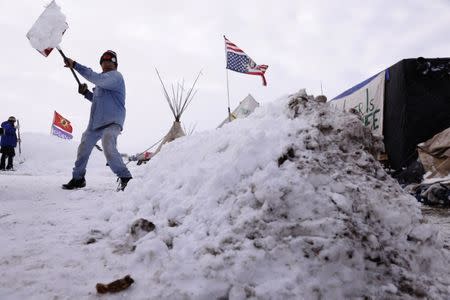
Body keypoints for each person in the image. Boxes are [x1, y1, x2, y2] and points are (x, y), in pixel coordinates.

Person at [62, 50, 132, 191]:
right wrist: (86, 93)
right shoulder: (100, 83)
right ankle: (78, 178)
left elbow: (96, 78)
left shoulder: (115, 77)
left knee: (107, 143)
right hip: (95, 123)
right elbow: (97, 100)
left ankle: (126, 178)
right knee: (83, 148)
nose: (106, 63)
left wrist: (75, 65)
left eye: (109, 61)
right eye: (103, 61)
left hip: (112, 121)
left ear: (115, 65)